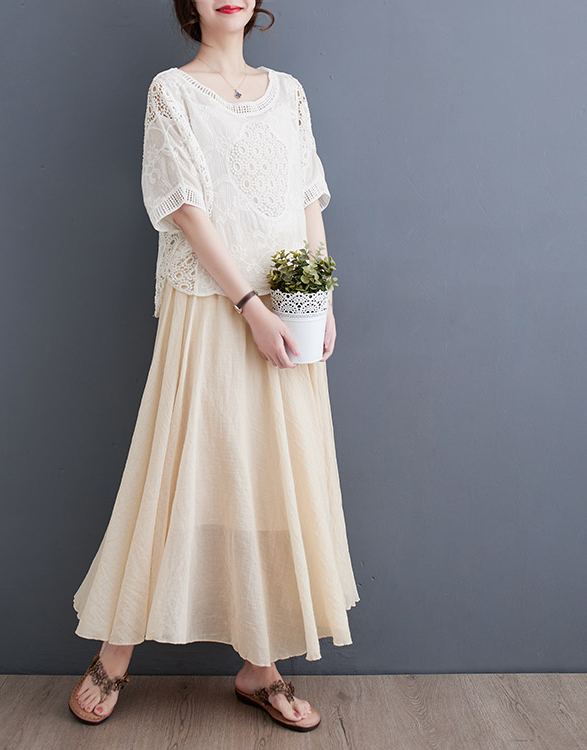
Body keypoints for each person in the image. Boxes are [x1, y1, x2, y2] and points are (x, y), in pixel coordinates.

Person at [68, 0, 360, 733]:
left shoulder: (289, 92)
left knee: (273, 476)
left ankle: (261, 666)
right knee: (178, 466)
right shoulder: (171, 91)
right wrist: (250, 307)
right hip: (212, 304)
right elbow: (186, 209)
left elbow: (308, 201)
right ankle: (114, 652)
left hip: (289, 311)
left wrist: (319, 298)